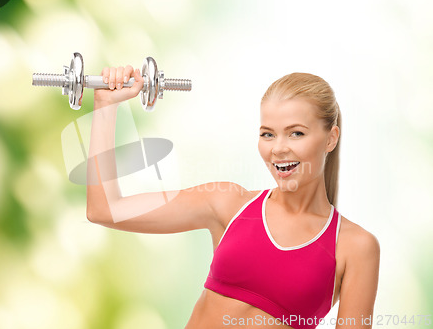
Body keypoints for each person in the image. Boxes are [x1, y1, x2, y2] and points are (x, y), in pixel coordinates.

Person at [86, 65, 380, 329]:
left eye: (296, 133)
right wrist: (105, 106)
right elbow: (105, 209)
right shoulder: (227, 203)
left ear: (331, 138)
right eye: (267, 134)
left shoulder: (355, 247)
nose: (278, 149)